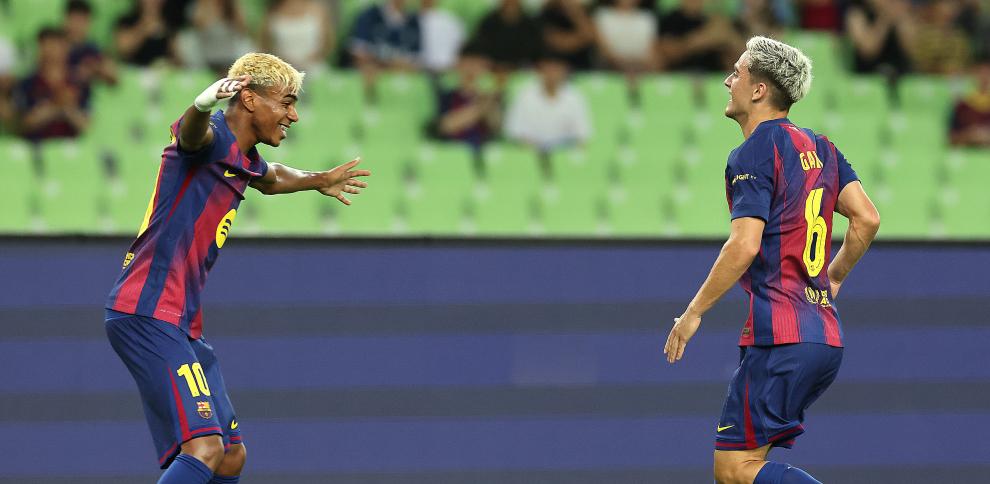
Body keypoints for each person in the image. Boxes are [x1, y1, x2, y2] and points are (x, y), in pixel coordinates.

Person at [104, 53, 370, 484]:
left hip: (182, 323)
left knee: (230, 456)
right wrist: (202, 103)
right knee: (205, 449)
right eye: (286, 102)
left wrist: (319, 179)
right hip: (148, 311)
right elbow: (191, 136)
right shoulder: (210, 139)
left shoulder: (241, 156)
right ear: (248, 99)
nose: (293, 115)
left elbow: (270, 177)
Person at [663, 37, 880, 484]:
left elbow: (743, 246)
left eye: (737, 73)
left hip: (781, 337)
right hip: (824, 337)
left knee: (734, 468)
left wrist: (692, 314)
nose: (728, 80)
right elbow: (867, 219)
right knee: (750, 466)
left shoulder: (754, 151)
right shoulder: (823, 147)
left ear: (759, 90)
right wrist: (832, 279)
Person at [504, 50, 591, 152]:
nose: (552, 73)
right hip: (530, 152)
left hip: (563, 152)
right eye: (548, 68)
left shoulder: (575, 97)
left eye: (556, 69)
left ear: (564, 71)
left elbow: (582, 136)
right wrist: (538, 153)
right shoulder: (525, 94)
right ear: (540, 69)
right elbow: (515, 132)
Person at [14, 27, 90, 141]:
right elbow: (21, 125)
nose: (50, 50)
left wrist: (67, 109)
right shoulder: (27, 83)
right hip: (35, 149)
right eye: (45, 45)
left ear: (66, 48)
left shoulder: (78, 83)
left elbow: (85, 125)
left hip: (71, 151)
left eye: (56, 45)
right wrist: (54, 106)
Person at [432, 45, 503, 151]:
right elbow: (446, 126)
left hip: (482, 152)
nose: (472, 70)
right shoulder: (446, 93)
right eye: (468, 63)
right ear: (458, 64)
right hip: (451, 151)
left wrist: (489, 102)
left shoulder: (489, 95)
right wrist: (481, 107)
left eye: (478, 65)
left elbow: (496, 127)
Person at [177, 0, 256, 74]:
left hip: (229, 55)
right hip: (207, 56)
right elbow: (201, 24)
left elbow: (242, 30)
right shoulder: (200, 6)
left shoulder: (232, 7)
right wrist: (209, 5)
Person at [262, 0, 334, 76]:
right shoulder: (272, 11)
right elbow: (265, 45)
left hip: (315, 69)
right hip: (282, 71)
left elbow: (327, 43)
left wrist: (310, 59)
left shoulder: (318, 9)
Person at [845, 0, 916, 77]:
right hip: (868, 75)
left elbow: (913, 51)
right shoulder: (856, 13)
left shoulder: (901, 13)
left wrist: (902, 19)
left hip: (901, 74)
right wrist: (884, 19)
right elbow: (868, 50)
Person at [594, 0, 659, 73]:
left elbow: (652, 51)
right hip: (609, 71)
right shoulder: (602, 15)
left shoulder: (647, 17)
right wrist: (624, 66)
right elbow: (603, 50)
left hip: (642, 72)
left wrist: (643, 66)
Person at [64, 0, 118, 87]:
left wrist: (94, 69)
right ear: (66, 18)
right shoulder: (55, 44)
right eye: (75, 19)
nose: (77, 25)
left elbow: (114, 78)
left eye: (82, 20)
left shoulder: (92, 48)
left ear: (89, 22)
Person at [910, 0, 971, 75]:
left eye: (952, 5)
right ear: (934, 8)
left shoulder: (959, 35)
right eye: (944, 5)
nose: (949, 10)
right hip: (930, 81)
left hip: (957, 81)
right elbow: (920, 63)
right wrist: (942, 69)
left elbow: (966, 61)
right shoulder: (923, 33)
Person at [538, 0, 596, 71]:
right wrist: (581, 38)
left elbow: (591, 36)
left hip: (583, 68)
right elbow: (560, 43)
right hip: (556, 67)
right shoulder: (547, 13)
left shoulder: (583, 12)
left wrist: (575, 12)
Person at [949, 58, 990, 147]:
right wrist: (969, 135)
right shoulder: (963, 106)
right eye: (981, 73)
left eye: (988, 73)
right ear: (974, 75)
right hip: (968, 155)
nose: (984, 77)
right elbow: (951, 138)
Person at [419, 0, 465, 73]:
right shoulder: (410, 21)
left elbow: (461, 45)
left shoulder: (450, 20)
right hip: (419, 70)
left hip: (447, 69)